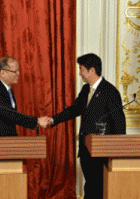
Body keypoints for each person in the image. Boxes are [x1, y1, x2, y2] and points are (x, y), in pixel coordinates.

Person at [46, 53, 126, 198]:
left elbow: (119, 124)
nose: (79, 73)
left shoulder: (110, 92)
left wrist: (117, 152)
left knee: (97, 188)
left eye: (81, 69)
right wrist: (53, 120)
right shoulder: (85, 89)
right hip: (86, 150)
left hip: (102, 152)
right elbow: (74, 110)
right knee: (90, 185)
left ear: (92, 71)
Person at [0, 56, 48, 137]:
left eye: (18, 70)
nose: (18, 74)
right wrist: (36, 121)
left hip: (6, 140)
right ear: (3, 73)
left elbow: (9, 120)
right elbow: (8, 113)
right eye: (15, 71)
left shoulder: (7, 89)